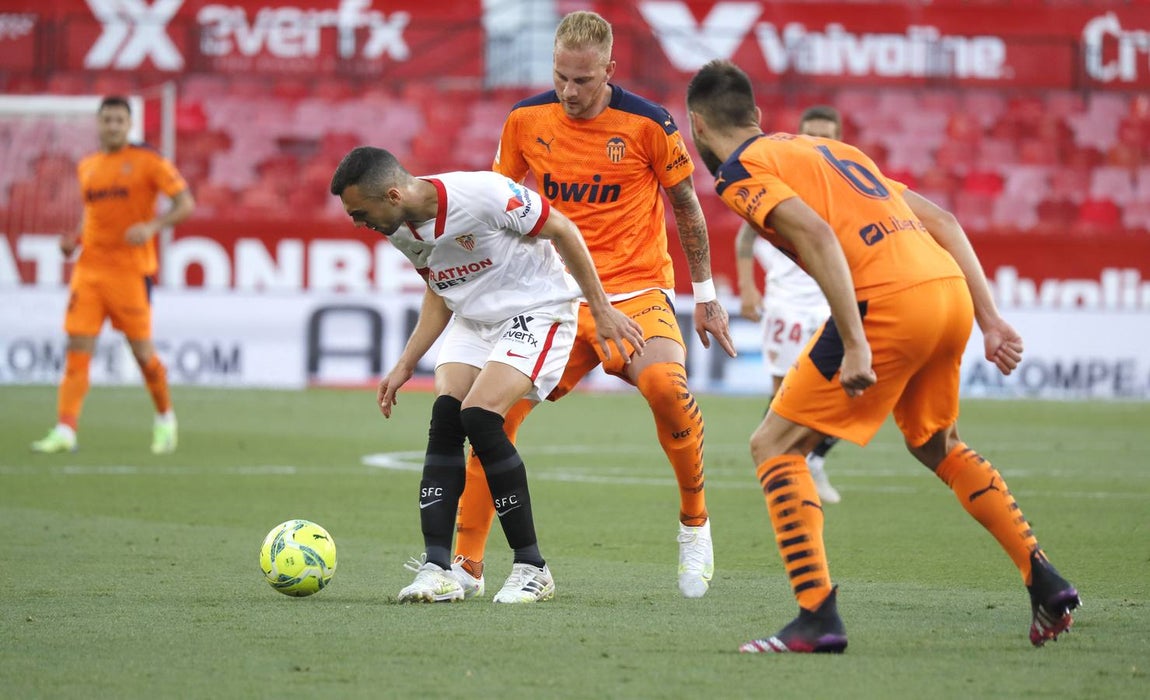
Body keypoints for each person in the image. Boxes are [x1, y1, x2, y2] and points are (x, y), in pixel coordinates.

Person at [685, 61, 1080, 652]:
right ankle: (1045, 578)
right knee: (934, 442)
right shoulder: (827, 151)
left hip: (887, 301)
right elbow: (943, 221)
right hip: (945, 294)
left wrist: (858, 342)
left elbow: (817, 236)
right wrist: (989, 319)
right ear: (758, 116)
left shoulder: (742, 170)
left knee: (773, 445)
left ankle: (816, 615)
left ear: (696, 125)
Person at [450, 10, 737, 600]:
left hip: (635, 290)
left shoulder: (648, 123)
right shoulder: (526, 119)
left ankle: (695, 525)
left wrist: (705, 295)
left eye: (582, 80)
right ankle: (465, 567)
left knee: (664, 385)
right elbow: (496, 205)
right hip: (555, 297)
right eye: (560, 78)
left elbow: (686, 205)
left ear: (610, 68)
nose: (570, 92)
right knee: (491, 420)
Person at [329, 146, 644, 603]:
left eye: (361, 213)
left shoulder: (482, 193)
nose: (359, 224)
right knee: (446, 419)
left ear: (393, 194)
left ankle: (532, 567)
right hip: (474, 320)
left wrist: (601, 309)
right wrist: (403, 364)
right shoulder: (399, 229)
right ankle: (437, 569)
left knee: (480, 416)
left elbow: (563, 228)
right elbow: (440, 292)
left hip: (538, 310)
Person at [31, 96, 195, 455]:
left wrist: (153, 226)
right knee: (77, 350)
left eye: (120, 120)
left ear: (130, 124)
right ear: (99, 123)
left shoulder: (149, 161)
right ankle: (65, 430)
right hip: (89, 271)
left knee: (142, 355)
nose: (113, 126)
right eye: (107, 120)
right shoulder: (88, 165)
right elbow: (91, 214)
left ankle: (165, 419)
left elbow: (186, 203)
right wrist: (73, 240)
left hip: (130, 273)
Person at [735, 105, 846, 504]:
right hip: (786, 304)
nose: (818, 143)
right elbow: (747, 235)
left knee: (847, 389)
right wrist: (748, 289)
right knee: (784, 392)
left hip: (833, 302)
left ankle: (811, 458)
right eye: (811, 134)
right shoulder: (783, 179)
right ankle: (780, 465)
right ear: (799, 136)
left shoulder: (848, 184)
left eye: (826, 136)